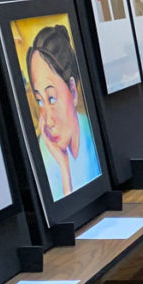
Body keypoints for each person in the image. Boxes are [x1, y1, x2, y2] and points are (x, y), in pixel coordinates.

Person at [26, 23, 101, 199]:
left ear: (73, 91)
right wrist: (64, 168)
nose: (48, 120)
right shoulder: (45, 151)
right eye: (39, 101)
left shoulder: (93, 132)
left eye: (51, 98)